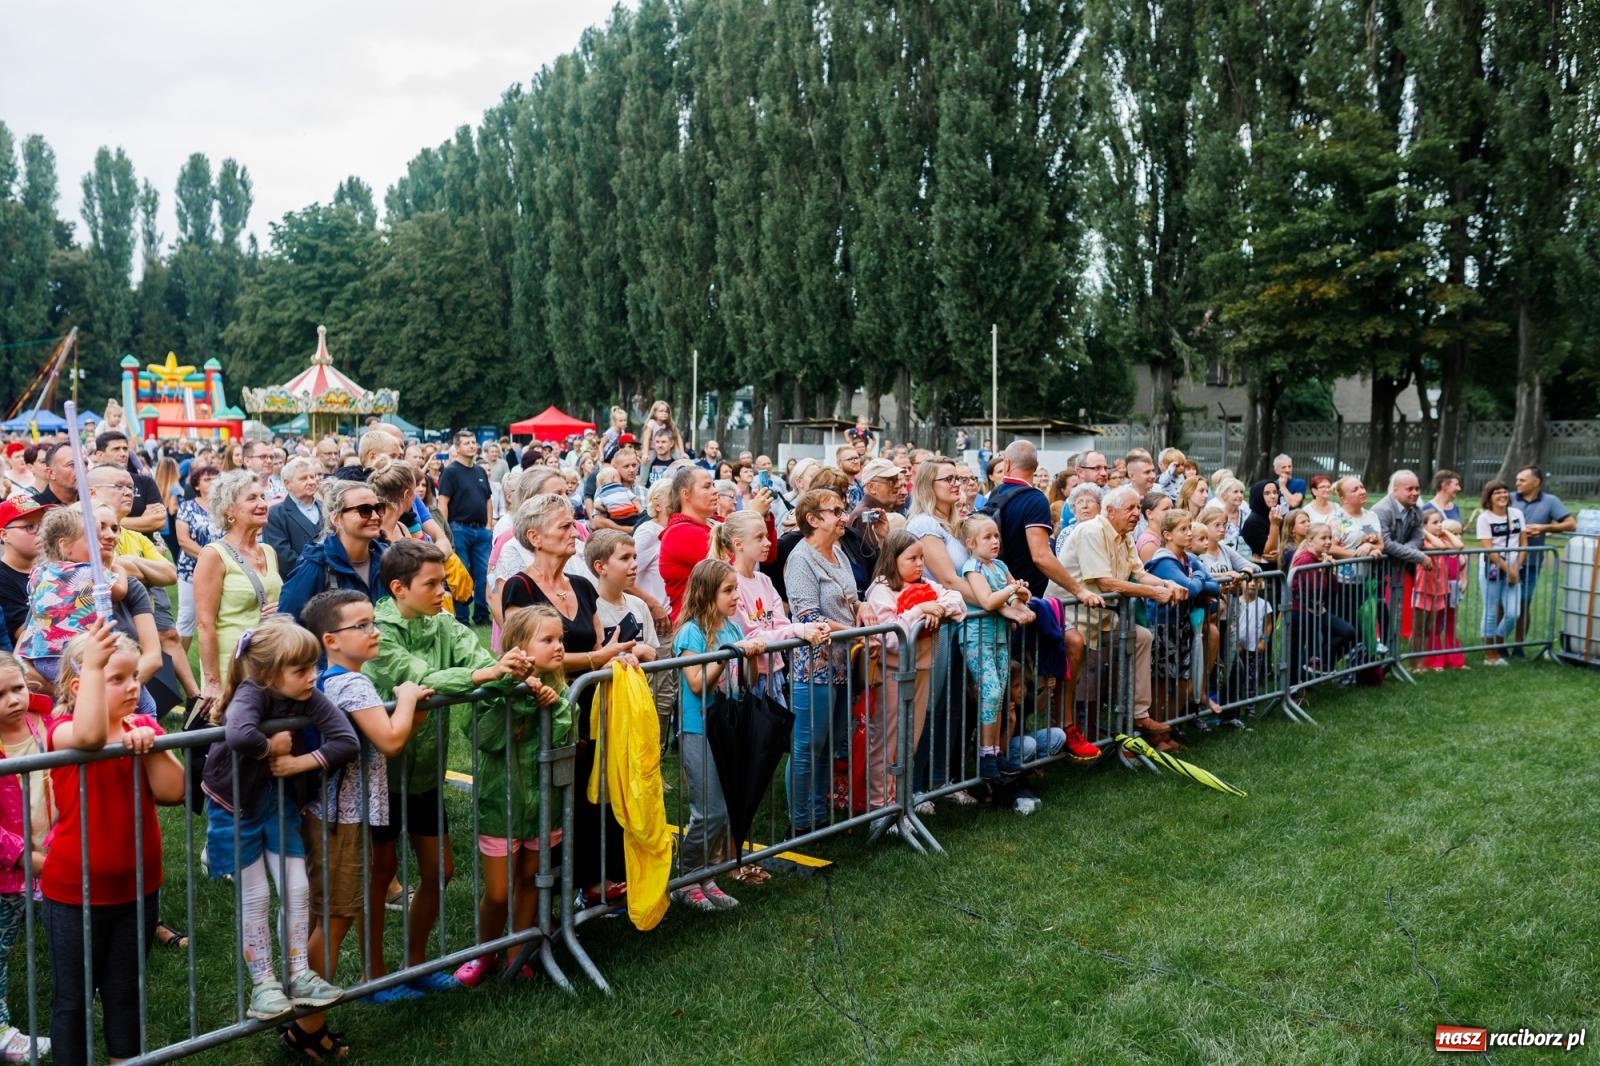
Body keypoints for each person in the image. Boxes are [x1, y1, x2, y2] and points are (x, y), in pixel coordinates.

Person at [363, 539, 532, 990]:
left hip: (426, 773)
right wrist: (480, 677)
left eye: (444, 582)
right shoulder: (376, 630)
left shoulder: (446, 624)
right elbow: (415, 676)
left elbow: (480, 662)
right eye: (432, 584)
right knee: (380, 874)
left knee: (440, 872)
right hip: (379, 775)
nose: (443, 592)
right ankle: (374, 974)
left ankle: (415, 965)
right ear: (399, 588)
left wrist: (506, 667)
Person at [294, 591, 432, 1049]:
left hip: (329, 812)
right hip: (343, 817)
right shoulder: (351, 685)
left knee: (325, 915)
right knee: (335, 918)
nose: (374, 631)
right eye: (363, 626)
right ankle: (307, 1027)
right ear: (330, 639)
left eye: (373, 622)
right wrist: (409, 696)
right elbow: (391, 741)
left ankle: (303, 1015)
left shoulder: (329, 680)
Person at [42, 624, 185, 1065]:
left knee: (125, 990)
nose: (131, 687)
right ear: (79, 686)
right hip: (74, 893)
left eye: (133, 677)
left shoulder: (141, 725)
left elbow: (174, 790)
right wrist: (94, 665)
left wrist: (153, 745)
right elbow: (88, 739)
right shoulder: (62, 731)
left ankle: (125, 1059)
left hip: (138, 888)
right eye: (115, 677)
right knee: (74, 998)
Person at [200, 618, 354, 1021]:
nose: (313, 677)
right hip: (236, 806)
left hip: (279, 803)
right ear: (268, 674)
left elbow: (346, 740)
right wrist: (269, 746)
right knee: (256, 896)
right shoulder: (252, 692)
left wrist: (298, 762)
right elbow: (238, 735)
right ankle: (264, 984)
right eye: (301, 670)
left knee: (297, 888)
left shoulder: (307, 695)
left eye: (314, 667)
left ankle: (300, 974)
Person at [492, 495, 635, 904]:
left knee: (589, 796)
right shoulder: (519, 586)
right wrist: (599, 658)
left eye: (573, 524)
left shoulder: (583, 586)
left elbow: (600, 639)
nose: (574, 531)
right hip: (544, 706)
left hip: (590, 705)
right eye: (563, 527)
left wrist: (618, 654)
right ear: (535, 537)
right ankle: (541, 900)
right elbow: (526, 651)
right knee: (552, 803)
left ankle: (589, 882)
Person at [454, 604, 575, 983]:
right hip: (501, 805)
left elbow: (561, 740)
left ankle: (516, 951)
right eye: (548, 640)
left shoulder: (561, 688)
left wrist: (554, 709)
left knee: (529, 881)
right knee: (499, 891)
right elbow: (483, 738)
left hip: (543, 806)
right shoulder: (494, 689)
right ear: (518, 647)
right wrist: (513, 699)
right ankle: (484, 951)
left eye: (560, 639)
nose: (558, 647)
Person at [1055, 485, 1185, 749]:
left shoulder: (1124, 535)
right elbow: (1105, 583)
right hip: (1072, 617)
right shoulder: (1092, 530)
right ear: (1110, 511)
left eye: (1138, 508)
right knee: (1070, 682)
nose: (1136, 513)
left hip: (1100, 619)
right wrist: (1154, 592)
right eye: (1131, 508)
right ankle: (1061, 736)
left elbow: (1139, 573)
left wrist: (1166, 584)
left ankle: (1138, 716)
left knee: (1141, 637)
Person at [672, 559, 764, 911]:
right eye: (728, 591)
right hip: (699, 729)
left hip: (728, 728)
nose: (736, 596)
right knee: (708, 811)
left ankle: (705, 874)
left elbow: (750, 680)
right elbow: (696, 683)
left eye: (735, 589)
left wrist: (752, 656)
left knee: (723, 810)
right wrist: (727, 656)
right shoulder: (691, 633)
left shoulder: (733, 628)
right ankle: (684, 878)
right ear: (706, 595)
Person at [863, 530, 965, 817]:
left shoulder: (924, 584)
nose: (920, 563)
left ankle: (901, 803)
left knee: (911, 739)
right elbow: (891, 637)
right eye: (912, 558)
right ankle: (880, 809)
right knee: (887, 742)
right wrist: (920, 610)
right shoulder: (881, 590)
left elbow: (957, 601)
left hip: (920, 670)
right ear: (893, 560)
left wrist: (939, 609)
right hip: (892, 675)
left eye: (922, 557)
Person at [784, 489, 868, 834]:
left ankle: (819, 815)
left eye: (843, 509)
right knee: (807, 745)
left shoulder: (839, 552)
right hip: (813, 667)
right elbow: (810, 616)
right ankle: (800, 823)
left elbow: (851, 596)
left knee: (830, 744)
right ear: (813, 519)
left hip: (842, 663)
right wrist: (857, 633)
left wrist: (863, 610)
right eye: (835, 511)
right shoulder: (800, 559)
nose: (843, 516)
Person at [956, 513, 1035, 798]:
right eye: (987, 537)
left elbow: (1013, 597)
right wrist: (1011, 590)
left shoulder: (1000, 565)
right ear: (971, 542)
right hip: (978, 638)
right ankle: (984, 754)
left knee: (1000, 694)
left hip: (1002, 637)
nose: (994, 542)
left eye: (996, 536)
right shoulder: (972, 568)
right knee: (989, 691)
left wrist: (1021, 595)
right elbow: (988, 600)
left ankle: (994, 751)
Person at [194, 470, 281, 706]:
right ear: (229, 510)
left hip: (270, 659)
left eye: (263, 497)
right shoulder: (214, 555)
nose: (262, 504)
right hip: (231, 665)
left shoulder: (269, 552)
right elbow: (204, 623)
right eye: (252, 498)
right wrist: (212, 682)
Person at [0, 653, 50, 1060]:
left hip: (52, 850)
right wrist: (22, 857)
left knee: (63, 922)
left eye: (17, 688)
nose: (13, 699)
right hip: (8, 869)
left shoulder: (44, 724)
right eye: (0, 695)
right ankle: (1, 1032)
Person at [1143, 512, 1222, 737]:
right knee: (1161, 683)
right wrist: (1198, 577)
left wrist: (1195, 578)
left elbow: (1214, 586)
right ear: (1167, 535)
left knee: (1183, 681)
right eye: (1183, 529)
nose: (1189, 533)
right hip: (1162, 626)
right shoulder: (1164, 561)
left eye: (1189, 528)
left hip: (1183, 626)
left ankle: (1169, 728)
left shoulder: (1188, 559)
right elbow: (1194, 588)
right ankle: (1157, 736)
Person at [661, 465, 775, 620]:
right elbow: (728, 565)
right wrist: (752, 514)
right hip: (698, 630)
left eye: (714, 485)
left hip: (730, 624)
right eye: (707, 486)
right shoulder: (678, 533)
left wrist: (764, 517)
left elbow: (768, 556)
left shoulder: (718, 523)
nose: (715, 491)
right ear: (685, 494)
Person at [279, 480, 390, 621]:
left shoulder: (389, 560)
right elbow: (289, 626)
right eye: (365, 510)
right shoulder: (315, 565)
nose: (375, 516)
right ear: (336, 519)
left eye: (379, 508)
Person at [1510, 465, 1574, 653]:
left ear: (1536, 482)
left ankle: (1518, 647)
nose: (1517, 483)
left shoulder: (1551, 501)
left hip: (1531, 563)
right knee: (1502, 604)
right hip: (1507, 561)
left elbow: (1571, 524)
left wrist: (1544, 528)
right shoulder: (1509, 498)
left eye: (1522, 480)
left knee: (1523, 603)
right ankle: (1498, 648)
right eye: (1517, 479)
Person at [1287, 521, 1357, 684]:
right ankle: (1293, 686)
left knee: (1347, 631)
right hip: (1299, 610)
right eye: (1323, 538)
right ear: (1310, 540)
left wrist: (1326, 569)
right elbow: (1314, 588)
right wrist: (1323, 568)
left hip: (1317, 609)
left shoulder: (1318, 558)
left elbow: (1331, 589)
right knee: (1297, 650)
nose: (1328, 541)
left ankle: (1317, 662)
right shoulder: (1305, 559)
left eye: (1330, 538)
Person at [438, 432, 493, 626]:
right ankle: (461, 617)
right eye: (467, 443)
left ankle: (481, 614)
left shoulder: (479, 471)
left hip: (481, 531)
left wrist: (489, 526)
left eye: (473, 442)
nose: (472, 445)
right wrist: (445, 532)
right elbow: (443, 502)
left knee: (483, 573)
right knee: (461, 574)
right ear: (458, 448)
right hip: (459, 529)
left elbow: (487, 499)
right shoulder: (451, 472)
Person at [1476, 479, 1526, 666]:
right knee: (1490, 611)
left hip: (1514, 569)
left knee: (1513, 612)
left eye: (1505, 491)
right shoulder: (1484, 518)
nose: (1503, 495)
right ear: (1488, 498)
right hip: (1492, 570)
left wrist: (1516, 568)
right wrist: (1508, 570)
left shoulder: (1517, 514)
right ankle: (1490, 655)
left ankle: (1496, 642)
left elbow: (1524, 543)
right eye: (1497, 492)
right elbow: (1489, 549)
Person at [175, 462, 221, 652]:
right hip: (191, 571)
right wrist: (209, 557)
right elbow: (183, 540)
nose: (212, 482)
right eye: (207, 479)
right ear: (196, 485)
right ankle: (178, 666)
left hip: (221, 569)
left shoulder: (226, 507)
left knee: (218, 617)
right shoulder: (187, 507)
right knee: (187, 617)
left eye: (215, 478)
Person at [265, 457, 324, 579]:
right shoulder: (276, 514)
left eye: (312, 477)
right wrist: (315, 572)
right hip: (297, 581)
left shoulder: (326, 508)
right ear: (287, 484)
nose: (311, 482)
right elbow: (282, 555)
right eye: (303, 478)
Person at [0, 497, 48, 648]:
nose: (40, 533)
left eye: (42, 526)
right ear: (4, 535)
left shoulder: (53, 568)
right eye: (29, 527)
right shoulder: (2, 579)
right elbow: (25, 634)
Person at [1240, 480, 1284, 564]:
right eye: (1267, 493)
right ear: (1258, 496)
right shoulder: (1253, 522)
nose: (1273, 496)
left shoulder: (1278, 514)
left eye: (1275, 492)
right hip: (1262, 571)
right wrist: (1274, 525)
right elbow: (1269, 553)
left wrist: (1281, 552)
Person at [30, 443, 77, 508]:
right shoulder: (34, 508)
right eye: (71, 465)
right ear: (51, 473)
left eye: (85, 464)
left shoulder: (92, 499)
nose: (81, 469)